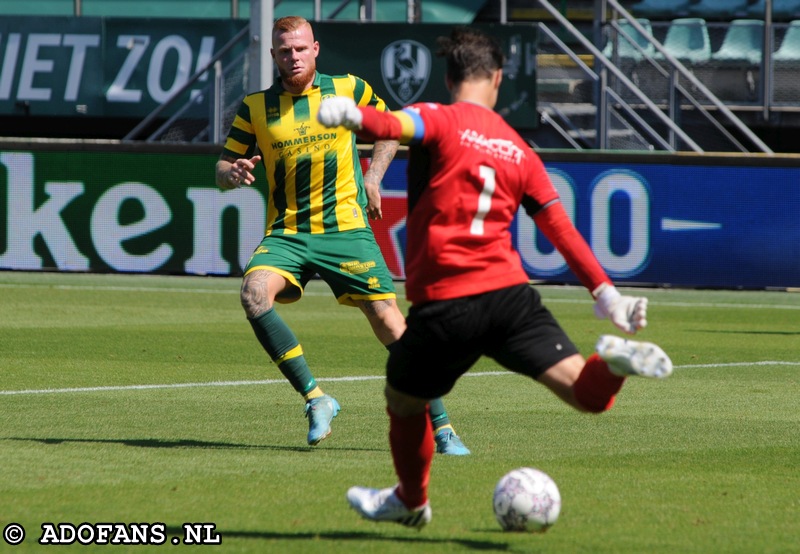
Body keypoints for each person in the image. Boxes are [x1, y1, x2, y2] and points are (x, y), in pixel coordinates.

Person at [317, 26, 673, 528]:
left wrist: (354, 116)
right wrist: (607, 294)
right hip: (510, 297)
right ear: (498, 78)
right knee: (585, 395)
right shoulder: (517, 147)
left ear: (448, 76)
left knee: (402, 397)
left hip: (448, 303)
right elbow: (559, 226)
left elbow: (393, 125)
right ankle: (612, 364)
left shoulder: (438, 117)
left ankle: (412, 500)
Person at [215, 16, 469, 455]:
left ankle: (443, 427)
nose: (291, 57)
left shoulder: (348, 87)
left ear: (315, 49)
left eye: (299, 49)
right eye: (283, 51)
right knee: (254, 294)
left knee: (390, 322)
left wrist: (374, 177)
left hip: (345, 228)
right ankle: (317, 399)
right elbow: (221, 168)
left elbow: (391, 127)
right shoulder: (255, 107)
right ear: (273, 55)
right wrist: (231, 172)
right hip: (288, 232)